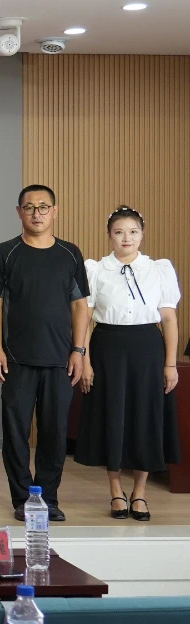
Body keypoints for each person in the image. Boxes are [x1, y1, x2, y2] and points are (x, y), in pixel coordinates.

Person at [0, 185, 90, 522]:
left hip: (60, 360)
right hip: (16, 359)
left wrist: (79, 350)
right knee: (15, 433)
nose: (37, 213)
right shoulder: (5, 253)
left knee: (54, 434)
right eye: (30, 207)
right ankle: (23, 499)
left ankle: (48, 498)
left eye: (43, 207)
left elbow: (80, 306)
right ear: (19, 211)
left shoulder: (70, 253)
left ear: (55, 211)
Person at [76, 206, 181, 521]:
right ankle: (115, 492)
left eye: (133, 232)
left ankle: (140, 493)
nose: (126, 238)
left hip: (148, 348)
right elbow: (85, 319)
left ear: (142, 234)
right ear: (109, 235)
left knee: (145, 417)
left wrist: (170, 364)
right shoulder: (96, 269)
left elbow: (168, 319)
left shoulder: (159, 269)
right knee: (113, 416)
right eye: (119, 232)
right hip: (107, 347)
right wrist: (86, 361)